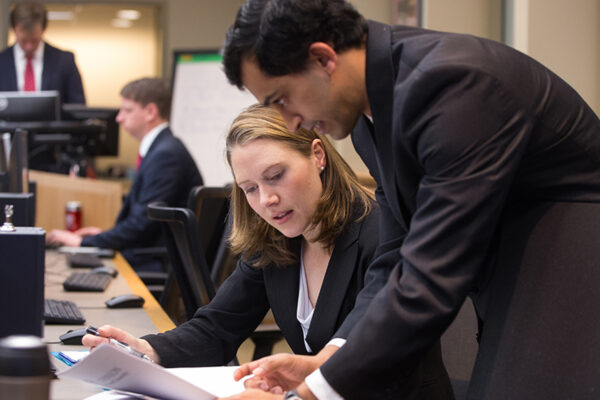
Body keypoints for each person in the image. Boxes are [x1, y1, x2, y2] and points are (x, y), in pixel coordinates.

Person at [220, 0, 600, 399]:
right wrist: (329, 362)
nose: (290, 120)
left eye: (282, 99)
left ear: (322, 59)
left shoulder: (454, 86)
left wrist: (311, 394)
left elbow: (430, 273)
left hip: (575, 274)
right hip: (526, 276)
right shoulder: (372, 116)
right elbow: (398, 251)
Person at [82, 104, 452, 398]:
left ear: (318, 155)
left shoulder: (380, 233)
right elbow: (217, 328)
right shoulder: (276, 240)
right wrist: (146, 351)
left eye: (275, 176)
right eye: (250, 188)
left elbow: (375, 360)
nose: (267, 200)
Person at [46, 77, 203, 272]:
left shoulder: (166, 155)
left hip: (154, 262)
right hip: (147, 254)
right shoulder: (161, 149)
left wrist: (83, 242)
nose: (118, 118)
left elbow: (141, 226)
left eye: (127, 110)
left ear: (150, 112)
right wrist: (102, 236)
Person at [0, 1, 85, 104]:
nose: (29, 47)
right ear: (14, 29)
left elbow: (78, 108)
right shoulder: (2, 62)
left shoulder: (64, 61)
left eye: (34, 40)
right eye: (24, 41)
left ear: (44, 29)